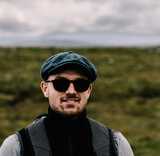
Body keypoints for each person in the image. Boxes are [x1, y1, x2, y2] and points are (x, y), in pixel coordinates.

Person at [0, 51, 134, 156]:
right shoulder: (18, 146)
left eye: (80, 84)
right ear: (45, 89)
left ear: (89, 90)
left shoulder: (115, 144)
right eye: (61, 83)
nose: (71, 91)